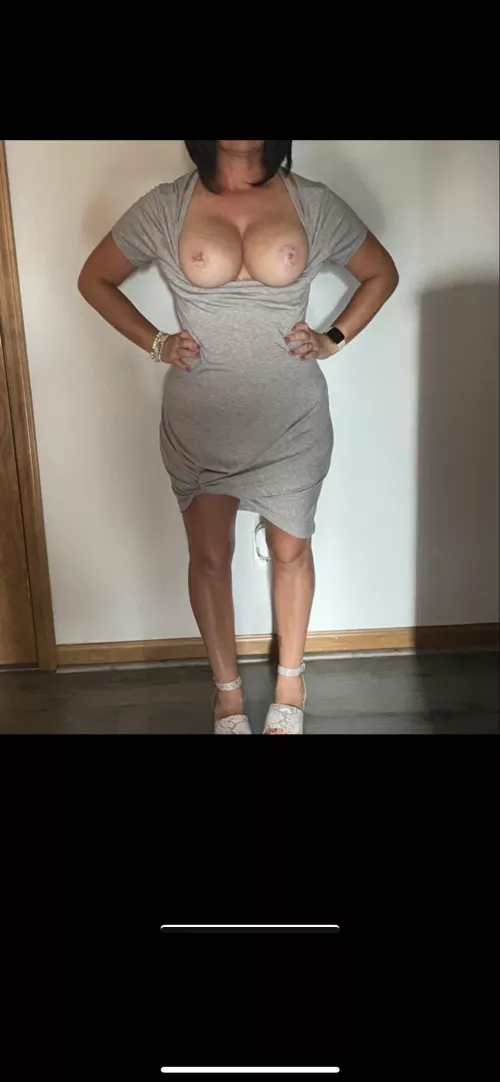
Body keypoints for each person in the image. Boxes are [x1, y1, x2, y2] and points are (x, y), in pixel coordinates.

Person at [78, 140, 398, 734]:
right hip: (203, 417)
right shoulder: (167, 206)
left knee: (291, 551)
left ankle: (290, 683)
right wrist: (158, 343)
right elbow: (94, 278)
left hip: (291, 416)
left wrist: (332, 337)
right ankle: (226, 695)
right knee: (209, 557)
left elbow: (382, 272)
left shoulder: (312, 202)